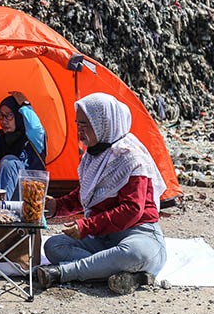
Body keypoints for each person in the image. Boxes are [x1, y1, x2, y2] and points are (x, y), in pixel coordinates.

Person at [36, 92, 167, 295]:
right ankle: (123, 274)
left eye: (85, 124)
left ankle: (63, 272)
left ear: (103, 124)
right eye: (78, 124)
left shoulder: (131, 158)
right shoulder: (94, 156)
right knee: (53, 245)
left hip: (138, 234)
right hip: (103, 238)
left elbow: (132, 209)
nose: (79, 130)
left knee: (134, 253)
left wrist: (86, 226)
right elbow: (87, 194)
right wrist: (57, 207)